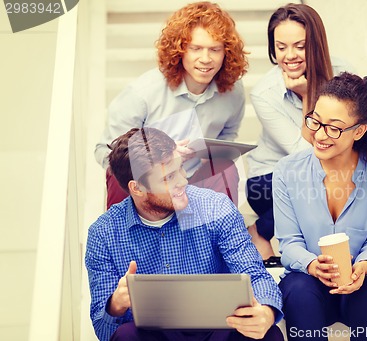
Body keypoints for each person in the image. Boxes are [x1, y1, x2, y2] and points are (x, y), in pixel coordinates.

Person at [85, 127, 284, 341]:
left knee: (267, 335)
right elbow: (103, 330)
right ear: (138, 188)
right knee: (126, 336)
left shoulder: (215, 208)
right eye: (168, 177)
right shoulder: (103, 233)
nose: (183, 181)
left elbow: (254, 274)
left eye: (180, 169)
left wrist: (266, 311)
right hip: (155, 336)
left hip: (219, 328)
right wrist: (116, 304)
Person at [273, 73, 367, 341]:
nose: (319, 135)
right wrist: (311, 265)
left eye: (334, 127)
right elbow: (289, 244)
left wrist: (363, 267)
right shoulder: (287, 171)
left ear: (359, 130)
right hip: (310, 287)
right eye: (316, 121)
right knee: (298, 290)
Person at [95, 1, 248, 209]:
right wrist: (160, 162)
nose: (206, 59)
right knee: (119, 172)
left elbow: (227, 136)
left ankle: (221, 236)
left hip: (193, 183)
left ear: (226, 52)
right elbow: (106, 151)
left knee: (224, 166)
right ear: (180, 50)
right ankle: (124, 239)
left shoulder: (233, 92)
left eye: (215, 49)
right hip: (149, 185)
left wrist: (211, 153)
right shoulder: (143, 92)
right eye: (196, 48)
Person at [245, 3, 354, 263]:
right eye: (281, 47)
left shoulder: (343, 73)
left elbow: (361, 131)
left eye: (300, 46)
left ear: (316, 44)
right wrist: (308, 97)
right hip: (271, 180)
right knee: (313, 175)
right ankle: (262, 230)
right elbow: (305, 153)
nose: (289, 56)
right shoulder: (264, 94)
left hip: (331, 170)